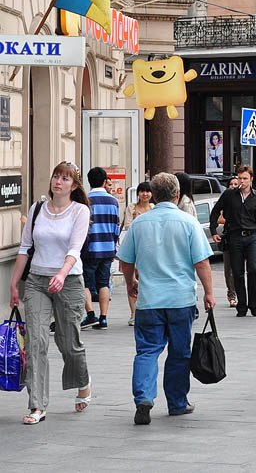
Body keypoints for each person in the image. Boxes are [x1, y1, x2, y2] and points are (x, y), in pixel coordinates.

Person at [118, 172, 215, 425]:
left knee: (147, 351)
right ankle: (177, 402)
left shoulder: (139, 223)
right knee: (179, 353)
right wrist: (209, 292)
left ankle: (144, 399)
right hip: (180, 299)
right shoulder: (188, 222)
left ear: (153, 194)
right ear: (177, 194)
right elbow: (202, 262)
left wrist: (131, 283)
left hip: (149, 301)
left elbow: (125, 262)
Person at [8, 161, 93, 425]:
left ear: (74, 185)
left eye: (65, 179)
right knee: (36, 342)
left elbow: (75, 249)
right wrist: (13, 283)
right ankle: (37, 405)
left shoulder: (79, 211)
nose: (58, 181)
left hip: (68, 281)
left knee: (69, 343)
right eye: (56, 176)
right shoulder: (37, 209)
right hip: (36, 281)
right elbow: (25, 248)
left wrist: (61, 273)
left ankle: (83, 382)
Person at [209, 165, 256, 317]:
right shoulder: (229, 195)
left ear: (251, 179)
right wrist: (213, 231)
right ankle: (242, 306)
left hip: (251, 237)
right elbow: (215, 211)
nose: (242, 181)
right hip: (234, 236)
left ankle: (253, 304)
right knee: (237, 273)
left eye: (245, 178)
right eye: (239, 178)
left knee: (254, 269)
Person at [82, 167, 120, 330]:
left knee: (85, 282)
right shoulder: (113, 201)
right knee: (103, 283)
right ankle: (103, 318)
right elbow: (116, 226)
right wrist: (113, 246)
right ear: (105, 182)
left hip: (90, 249)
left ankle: (91, 314)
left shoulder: (85, 200)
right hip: (107, 248)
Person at [119, 181, 154, 325]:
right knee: (132, 280)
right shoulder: (131, 208)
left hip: (150, 249)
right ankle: (133, 313)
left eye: (147, 191)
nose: (145, 194)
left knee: (147, 280)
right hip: (134, 247)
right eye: (142, 191)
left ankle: (146, 310)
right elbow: (128, 226)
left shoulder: (153, 208)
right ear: (138, 193)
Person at [214, 175, 240, 308]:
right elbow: (218, 218)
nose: (234, 186)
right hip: (228, 236)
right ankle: (231, 295)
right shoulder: (226, 198)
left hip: (241, 238)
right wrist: (232, 219)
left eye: (236, 184)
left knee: (240, 268)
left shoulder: (243, 199)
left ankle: (240, 294)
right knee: (228, 269)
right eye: (232, 184)